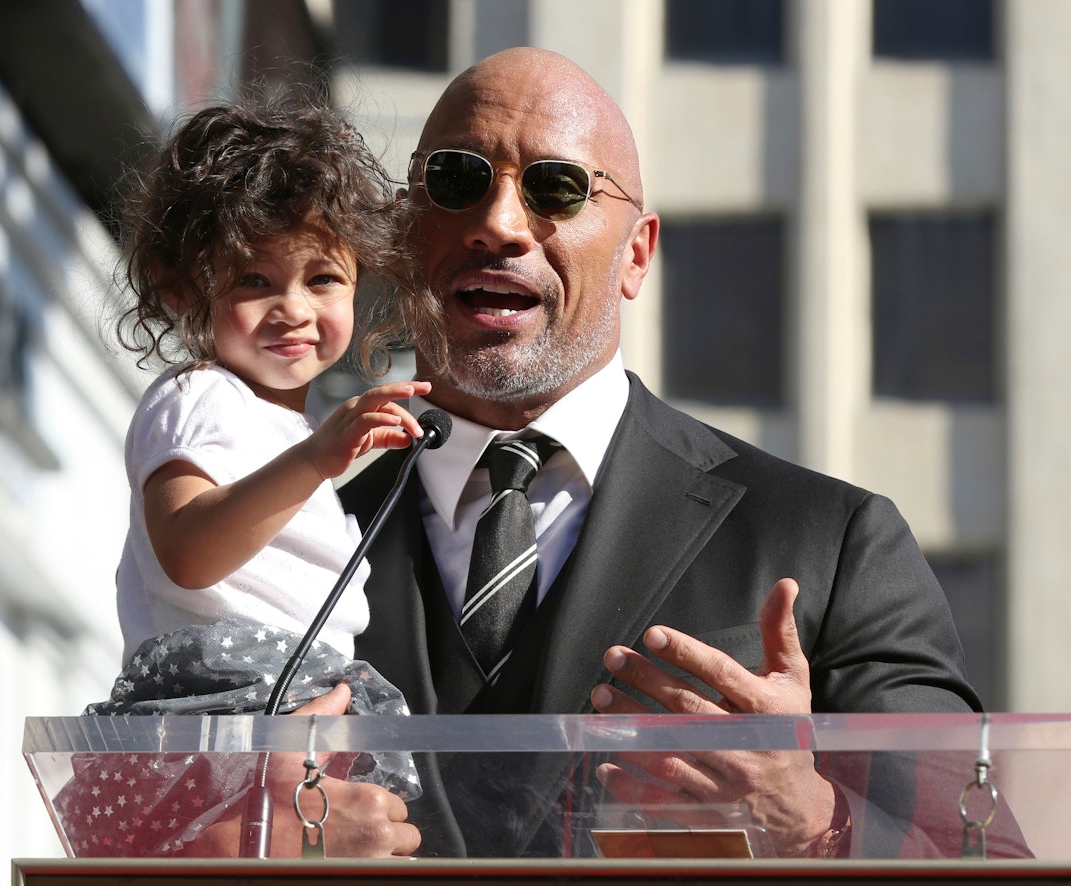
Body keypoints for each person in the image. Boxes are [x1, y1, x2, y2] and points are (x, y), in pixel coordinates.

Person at [337, 47, 1029, 860]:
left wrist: (813, 822)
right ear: (404, 227)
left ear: (636, 253)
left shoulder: (831, 541)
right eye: (456, 179)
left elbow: (983, 863)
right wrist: (252, 837)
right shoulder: (284, 544)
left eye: (555, 187)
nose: (498, 223)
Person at [61, 93, 438, 858]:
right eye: (253, 282)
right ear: (182, 292)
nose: (292, 308)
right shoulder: (199, 397)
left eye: (323, 277)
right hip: (223, 703)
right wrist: (313, 462)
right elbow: (189, 551)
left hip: (297, 707)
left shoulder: (290, 434)